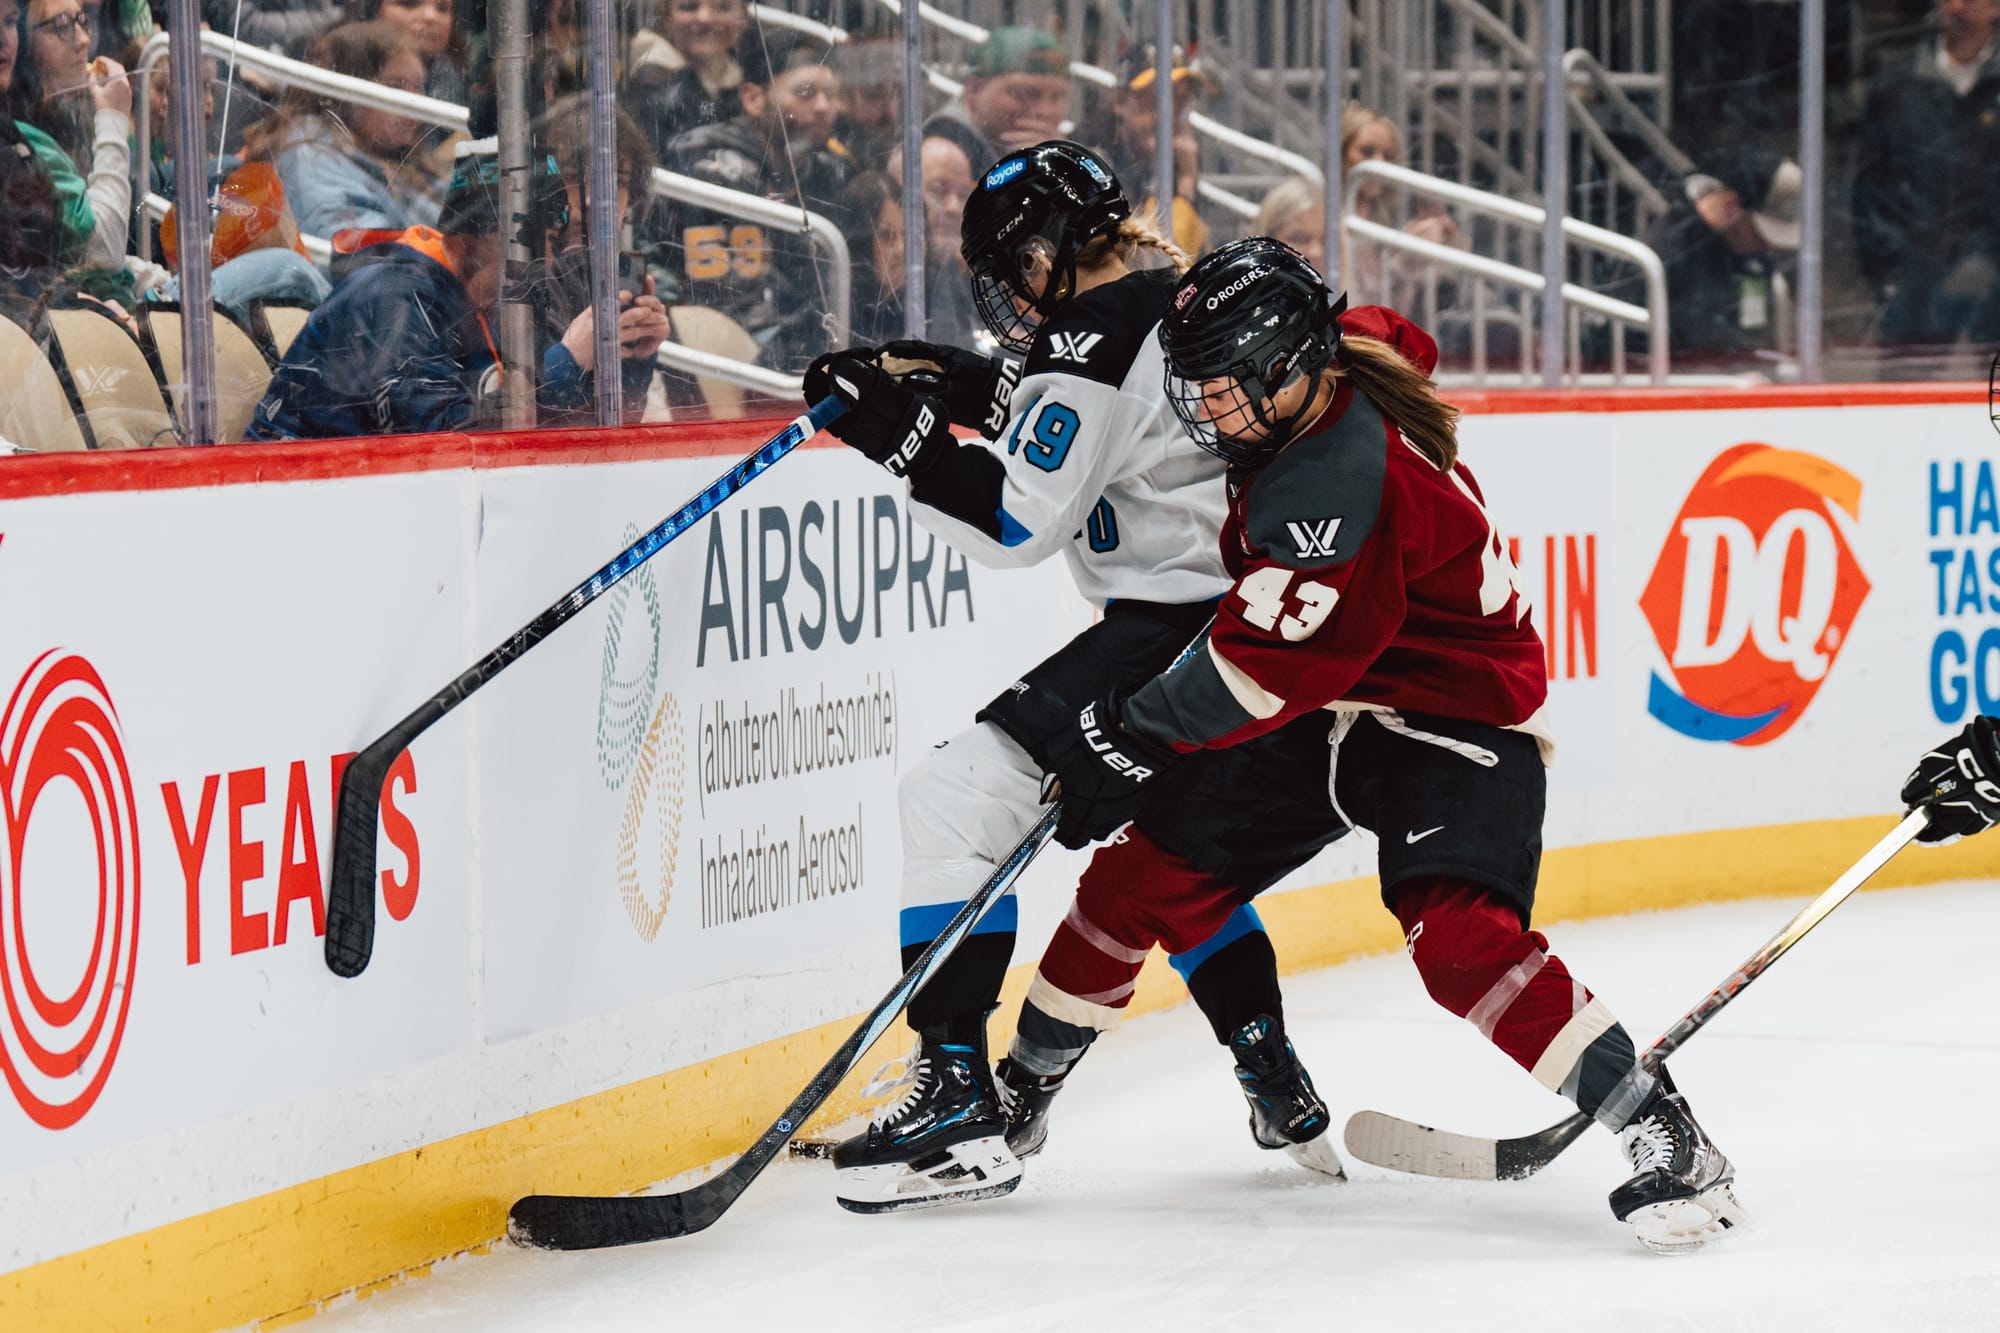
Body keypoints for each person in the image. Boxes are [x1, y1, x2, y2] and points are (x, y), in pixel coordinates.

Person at [1016, 237, 1745, 1254]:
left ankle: (1665, 1133)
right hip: (1337, 698)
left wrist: (1122, 736)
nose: (1204, 413)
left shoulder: (1332, 485)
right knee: (1134, 884)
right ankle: (1015, 1098)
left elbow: (1257, 671)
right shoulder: (1339, 354)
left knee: (1458, 943)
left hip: (1451, 714)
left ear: (1284, 367)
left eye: (1223, 388)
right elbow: (1396, 333)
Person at [801, 142, 1337, 1214]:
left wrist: (894, 437)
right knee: (1165, 855)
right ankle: (1271, 1072)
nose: (1008, 294)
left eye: (1013, 267)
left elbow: (1013, 519)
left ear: (1047, 250)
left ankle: (954, 1093)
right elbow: (1070, 407)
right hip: (1228, 625)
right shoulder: (1156, 298)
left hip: (1168, 627)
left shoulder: (1091, 335)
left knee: (949, 798)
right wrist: (953, 380)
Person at [245, 137, 668, 440]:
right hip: (298, 514)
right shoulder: (393, 297)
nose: (551, 261)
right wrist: (569, 360)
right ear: (478, 235)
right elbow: (446, 442)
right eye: (536, 240)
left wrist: (628, 360)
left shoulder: (486, 299)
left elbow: (564, 427)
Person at [658, 27, 849, 373]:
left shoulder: (827, 171)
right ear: (752, 98)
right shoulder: (709, 170)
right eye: (805, 93)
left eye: (831, 94)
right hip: (736, 372)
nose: (824, 107)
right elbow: (735, 303)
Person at [1852, 0, 2000, 351]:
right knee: (1905, 390)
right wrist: (1888, 273)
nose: (1958, 6)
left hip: (1995, 283)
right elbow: (1868, 189)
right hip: (1913, 284)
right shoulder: (1896, 87)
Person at [245, 21, 445, 243]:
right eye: (395, 87)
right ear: (347, 91)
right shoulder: (310, 152)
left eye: (418, 87)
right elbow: (358, 254)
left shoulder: (400, 155)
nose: (413, 101)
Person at [7, 0, 132, 271]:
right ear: (27, 49)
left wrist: (146, 276)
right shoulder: (24, 143)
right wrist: (113, 120)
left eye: (82, 21)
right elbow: (104, 254)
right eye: (62, 25)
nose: (83, 40)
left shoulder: (74, 118)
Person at [1081, 41, 1212, 260]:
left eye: (1180, 98)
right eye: (1155, 98)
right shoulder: (1091, 164)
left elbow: (1196, 261)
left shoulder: (1182, 160)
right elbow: (1153, 264)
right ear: (1120, 102)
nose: (1169, 112)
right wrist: (1185, 188)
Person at [922, 26, 1069, 173]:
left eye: (1057, 97)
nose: (1045, 111)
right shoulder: (942, 149)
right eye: (1025, 94)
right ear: (974, 91)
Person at [622, 0, 746, 164]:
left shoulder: (754, 80)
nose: (704, 18)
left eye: (722, 7)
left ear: (744, 18)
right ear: (666, 16)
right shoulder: (646, 85)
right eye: (689, 7)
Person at [836, 169, 902, 343]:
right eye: (887, 236)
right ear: (861, 243)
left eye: (909, 236)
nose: (901, 249)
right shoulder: (835, 310)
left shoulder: (929, 305)